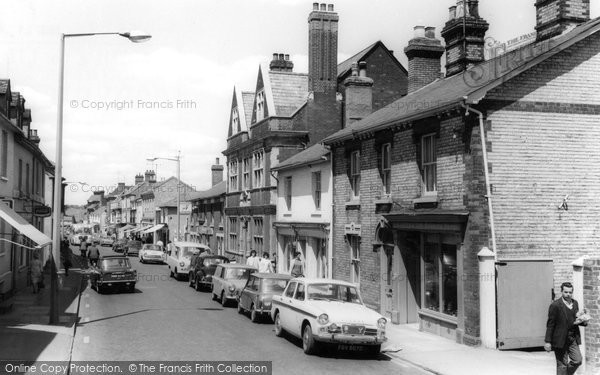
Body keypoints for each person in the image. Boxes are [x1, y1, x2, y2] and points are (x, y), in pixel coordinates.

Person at [545, 282, 589, 375]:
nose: (568, 294)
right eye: (566, 292)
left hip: (572, 338)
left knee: (578, 360)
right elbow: (550, 324)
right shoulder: (555, 305)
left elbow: (575, 320)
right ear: (562, 291)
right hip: (560, 339)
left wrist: (584, 320)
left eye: (570, 292)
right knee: (562, 365)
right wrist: (547, 341)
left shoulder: (575, 303)